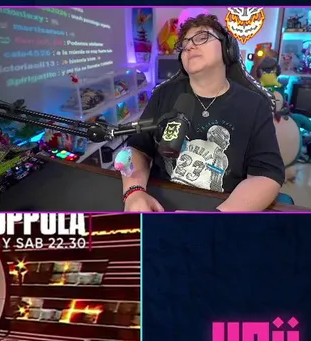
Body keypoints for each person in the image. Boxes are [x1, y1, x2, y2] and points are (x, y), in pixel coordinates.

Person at [121, 14, 284, 212]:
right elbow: (138, 149)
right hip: (159, 205)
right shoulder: (163, 94)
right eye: (184, 44)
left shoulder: (254, 104)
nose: (189, 46)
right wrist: (134, 192)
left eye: (201, 37)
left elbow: (266, 175)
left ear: (226, 49)